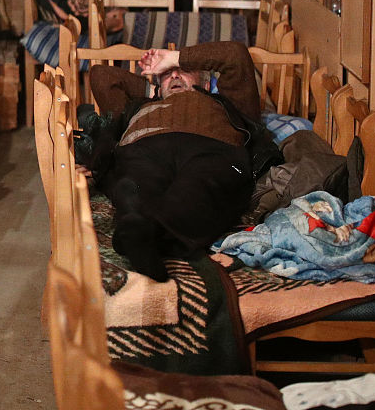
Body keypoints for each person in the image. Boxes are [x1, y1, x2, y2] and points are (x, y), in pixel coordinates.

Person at [82, 41, 260, 281]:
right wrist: (155, 91)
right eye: (166, 74)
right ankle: (139, 227)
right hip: (144, 147)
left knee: (198, 188)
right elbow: (101, 76)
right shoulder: (143, 105)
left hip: (212, 148)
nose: (174, 75)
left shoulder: (225, 101)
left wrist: (174, 59)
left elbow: (235, 55)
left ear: (207, 84)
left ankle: (145, 235)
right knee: (136, 183)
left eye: (185, 71)